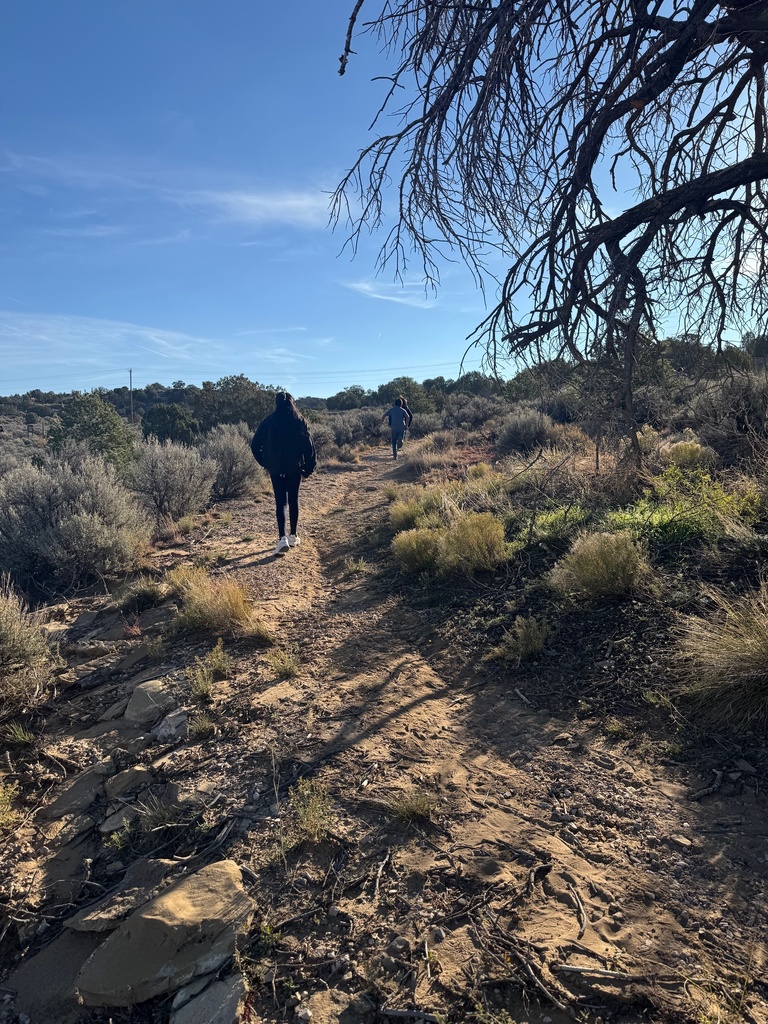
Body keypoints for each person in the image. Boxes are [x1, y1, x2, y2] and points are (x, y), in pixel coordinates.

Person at [251, 392, 317, 556]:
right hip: (295, 468)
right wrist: (307, 470)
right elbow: (309, 448)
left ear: (277, 403)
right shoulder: (299, 420)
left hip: (276, 468)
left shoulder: (269, 421)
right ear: (292, 403)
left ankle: (282, 539)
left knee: (281, 502)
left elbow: (255, 445)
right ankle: (293, 536)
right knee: (293, 500)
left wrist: (266, 463)